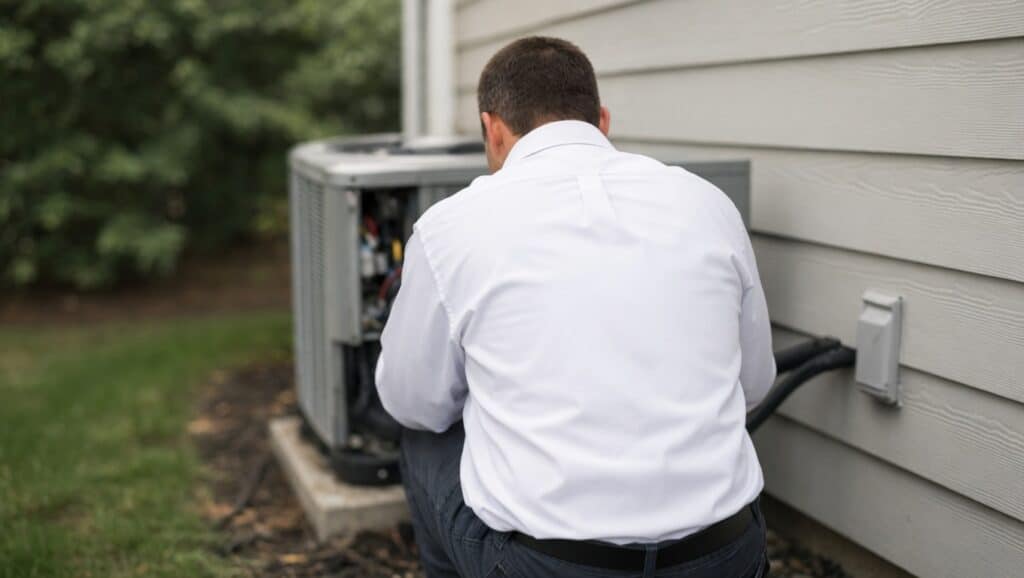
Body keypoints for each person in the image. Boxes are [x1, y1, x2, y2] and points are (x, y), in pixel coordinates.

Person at [375, 36, 775, 578]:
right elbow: (751, 385)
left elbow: (412, 401)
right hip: (722, 555)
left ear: (493, 129)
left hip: (547, 565)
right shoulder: (707, 204)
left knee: (424, 439)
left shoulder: (452, 227)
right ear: (601, 120)